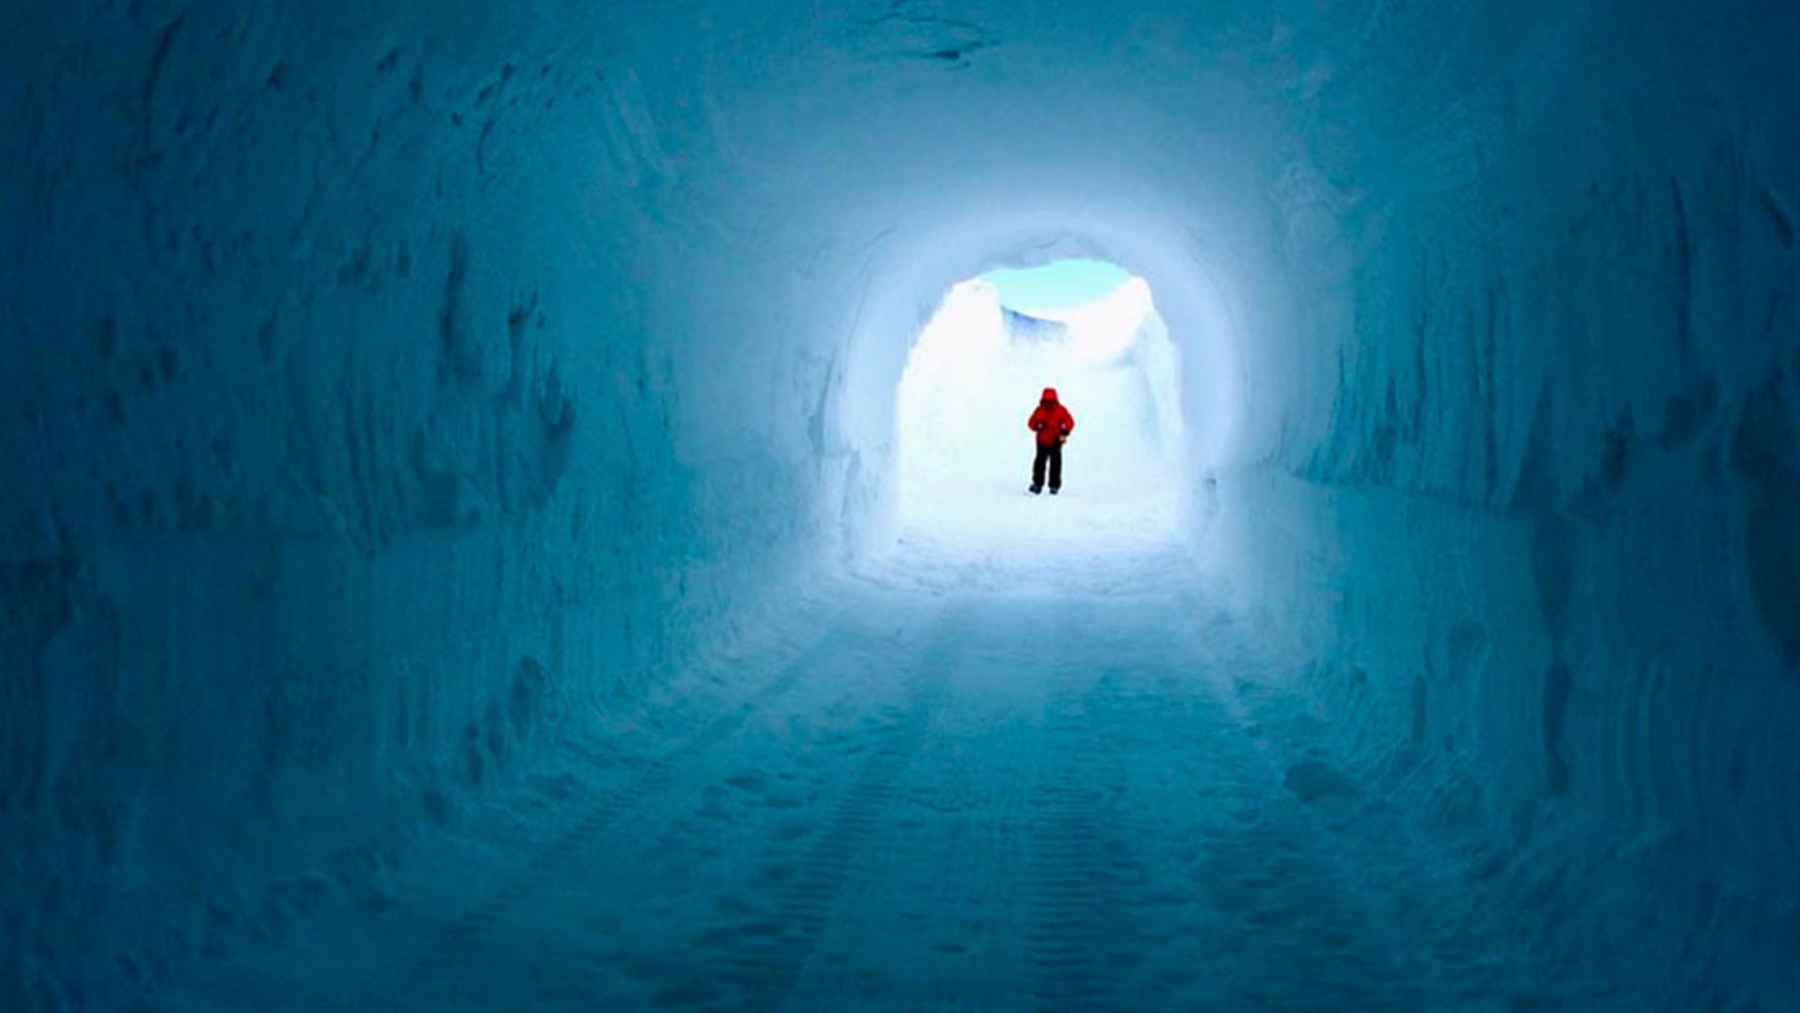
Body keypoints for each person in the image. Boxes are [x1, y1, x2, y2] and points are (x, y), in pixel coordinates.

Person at [1027, 387, 1075, 495]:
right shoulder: (1039, 410)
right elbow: (1030, 423)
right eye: (1046, 401)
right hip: (1042, 441)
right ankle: (1038, 485)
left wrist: (1064, 431)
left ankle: (1053, 486)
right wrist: (1037, 426)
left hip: (1055, 441)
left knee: (1055, 464)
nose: (1048, 404)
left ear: (1055, 400)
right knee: (1040, 463)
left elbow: (1070, 422)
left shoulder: (1061, 410)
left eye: (1050, 401)